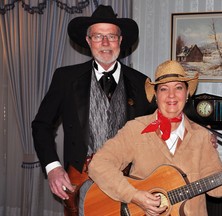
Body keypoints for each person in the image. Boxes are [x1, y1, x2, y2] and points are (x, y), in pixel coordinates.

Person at [88, 60, 222, 216]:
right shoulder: (136, 129)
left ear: (187, 94)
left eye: (178, 88)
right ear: (155, 96)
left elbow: (215, 184)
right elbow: (99, 165)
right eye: (164, 89)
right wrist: (134, 195)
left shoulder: (202, 136)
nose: (171, 95)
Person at [31, 5, 156, 215]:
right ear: (88, 41)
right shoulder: (65, 78)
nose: (105, 43)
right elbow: (41, 125)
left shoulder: (141, 82)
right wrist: (53, 168)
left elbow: (161, 124)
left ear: (120, 40)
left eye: (111, 36)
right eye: (98, 36)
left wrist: (197, 134)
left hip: (129, 184)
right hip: (80, 183)